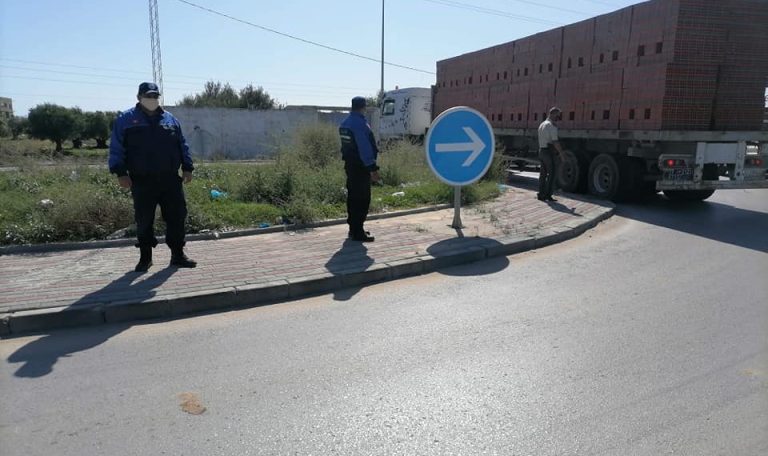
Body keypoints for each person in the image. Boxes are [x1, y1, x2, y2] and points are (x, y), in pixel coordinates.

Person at [109, 82, 197, 272]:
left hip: (169, 178)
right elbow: (116, 148)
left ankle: (178, 255)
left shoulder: (170, 119)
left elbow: (182, 144)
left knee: (177, 216)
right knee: (144, 219)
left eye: (155, 96)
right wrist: (120, 173)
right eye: (148, 96)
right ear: (139, 97)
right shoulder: (126, 119)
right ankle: (145, 258)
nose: (151, 100)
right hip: (142, 179)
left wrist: (187, 167)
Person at [339, 96, 381, 242]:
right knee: (362, 200)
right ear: (363, 107)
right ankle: (358, 232)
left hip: (350, 166)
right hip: (361, 167)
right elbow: (364, 148)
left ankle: (353, 229)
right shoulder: (359, 124)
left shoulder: (345, 123)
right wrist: (372, 169)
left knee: (352, 198)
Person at [537, 107, 565, 202]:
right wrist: (561, 154)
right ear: (552, 114)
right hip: (548, 152)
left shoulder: (542, 124)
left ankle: (541, 194)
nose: (558, 118)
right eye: (557, 116)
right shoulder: (551, 126)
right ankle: (548, 195)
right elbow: (555, 142)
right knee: (552, 174)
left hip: (541, 150)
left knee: (543, 174)